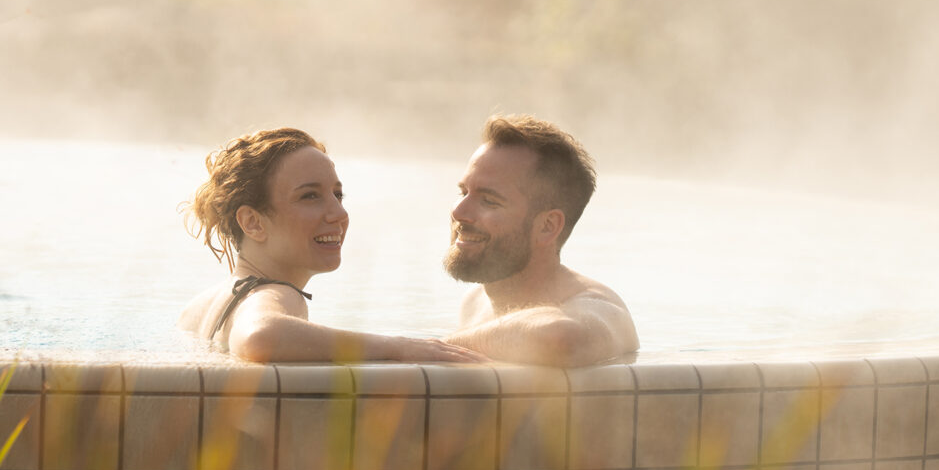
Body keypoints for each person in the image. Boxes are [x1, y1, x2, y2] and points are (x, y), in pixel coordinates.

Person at [179, 127, 484, 364]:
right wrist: (399, 346)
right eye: (309, 196)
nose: (339, 214)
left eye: (337, 195)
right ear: (253, 222)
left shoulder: (198, 308)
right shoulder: (277, 295)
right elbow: (260, 336)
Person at [441, 115, 639, 367]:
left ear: (547, 226)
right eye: (464, 192)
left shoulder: (601, 309)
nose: (459, 212)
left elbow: (560, 339)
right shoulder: (474, 303)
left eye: (489, 201)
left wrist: (434, 348)